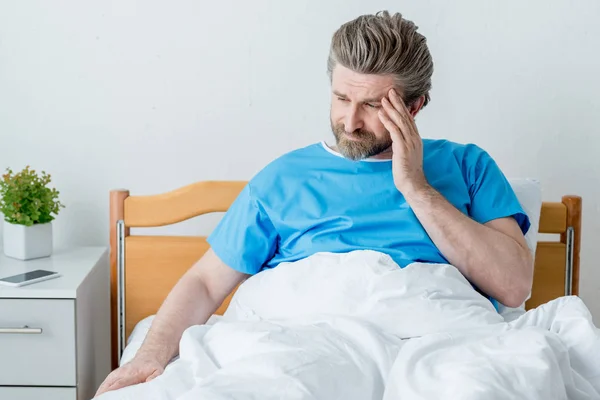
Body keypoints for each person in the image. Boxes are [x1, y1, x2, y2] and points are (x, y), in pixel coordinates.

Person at [95, 10, 533, 397]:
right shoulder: (283, 178)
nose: (350, 120)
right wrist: (149, 356)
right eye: (342, 98)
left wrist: (417, 188)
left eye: (372, 105)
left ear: (415, 106)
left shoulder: (466, 166)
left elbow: (514, 287)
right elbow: (206, 284)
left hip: (436, 341)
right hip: (304, 340)